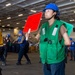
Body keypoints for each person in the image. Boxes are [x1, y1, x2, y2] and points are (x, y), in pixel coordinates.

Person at [25, 3, 71, 75]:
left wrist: (58, 45)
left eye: (48, 11)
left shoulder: (60, 25)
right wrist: (30, 37)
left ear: (54, 13)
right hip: (45, 59)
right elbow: (36, 40)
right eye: (45, 11)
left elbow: (68, 42)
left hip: (56, 60)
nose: (45, 13)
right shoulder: (43, 26)